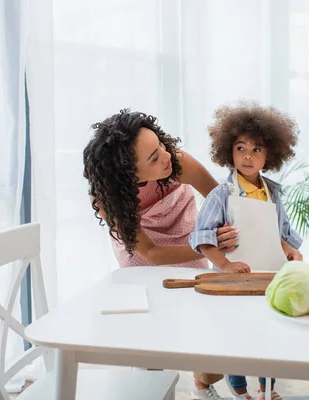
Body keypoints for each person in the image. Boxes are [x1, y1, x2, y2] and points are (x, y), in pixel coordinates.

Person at [83, 109, 236, 399]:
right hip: (143, 254)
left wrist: (223, 239)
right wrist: (203, 243)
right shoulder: (107, 196)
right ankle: (149, 384)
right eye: (153, 157)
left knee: (204, 319)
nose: (166, 155)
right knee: (149, 330)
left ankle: (203, 385)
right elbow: (150, 252)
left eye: (160, 146)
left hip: (188, 236)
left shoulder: (175, 161)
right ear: (127, 173)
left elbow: (221, 202)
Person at [189, 102, 303, 400]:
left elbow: (280, 234)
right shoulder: (221, 194)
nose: (248, 156)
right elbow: (203, 238)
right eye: (241, 148)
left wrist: (290, 251)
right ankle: (241, 394)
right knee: (234, 339)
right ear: (229, 152)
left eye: (257, 149)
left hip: (269, 276)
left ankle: (269, 390)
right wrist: (224, 265)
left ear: (270, 154)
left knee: (270, 337)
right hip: (233, 283)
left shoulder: (274, 192)